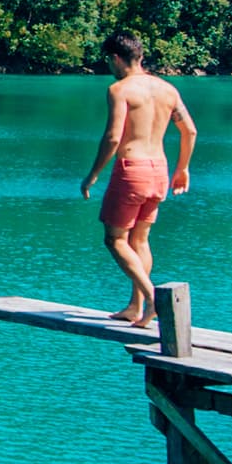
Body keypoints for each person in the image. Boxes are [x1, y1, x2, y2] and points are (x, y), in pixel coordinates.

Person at [78, 31, 195, 323]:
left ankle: (153, 299)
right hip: (159, 171)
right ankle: (135, 307)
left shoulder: (120, 90)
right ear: (140, 57)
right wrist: (183, 168)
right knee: (140, 239)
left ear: (116, 59)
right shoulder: (168, 90)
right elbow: (189, 131)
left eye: (109, 60)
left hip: (133, 170)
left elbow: (113, 136)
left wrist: (93, 174)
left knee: (115, 240)